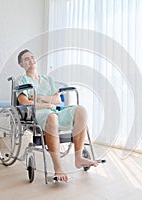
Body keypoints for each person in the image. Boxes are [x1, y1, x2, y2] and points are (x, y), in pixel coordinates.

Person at [16, 49, 98, 182]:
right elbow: (25, 102)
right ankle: (58, 168)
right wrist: (47, 104)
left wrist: (40, 98)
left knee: (80, 111)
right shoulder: (22, 81)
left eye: (32, 57)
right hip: (38, 114)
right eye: (26, 59)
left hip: (55, 110)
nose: (31, 60)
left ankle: (78, 157)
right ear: (21, 64)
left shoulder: (47, 79)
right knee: (52, 117)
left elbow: (58, 100)